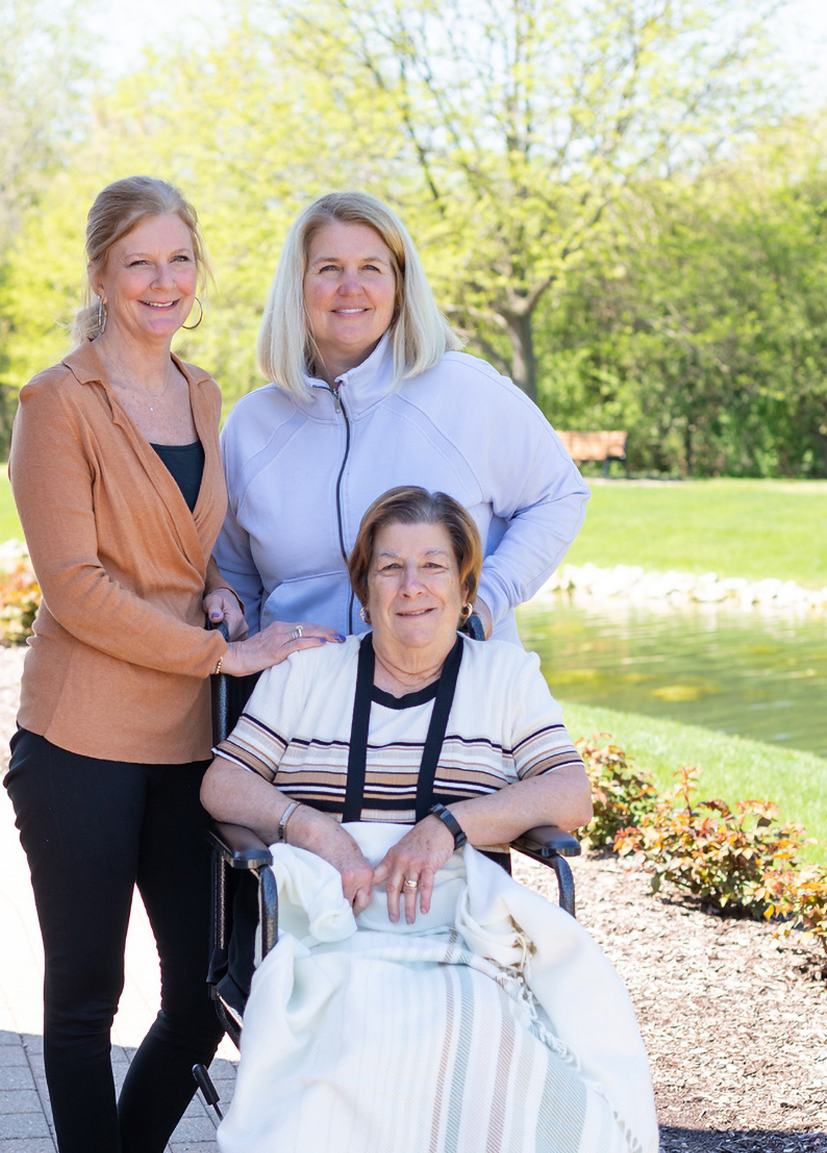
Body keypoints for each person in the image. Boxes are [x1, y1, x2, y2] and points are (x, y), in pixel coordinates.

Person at [4, 175, 342, 1153]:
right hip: (81, 742)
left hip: (188, 743)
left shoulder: (200, 391)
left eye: (179, 259)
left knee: (204, 992)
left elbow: (179, 548)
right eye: (140, 262)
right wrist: (224, 648)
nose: (164, 280)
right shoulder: (56, 402)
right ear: (102, 275)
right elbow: (74, 585)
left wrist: (215, 591)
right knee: (84, 999)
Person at [201, 486, 658, 1153]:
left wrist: (446, 825)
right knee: (345, 1023)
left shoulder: (504, 675)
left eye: (433, 566)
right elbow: (223, 781)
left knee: (476, 1031)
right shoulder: (308, 673)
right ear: (365, 587)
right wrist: (312, 826)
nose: (412, 586)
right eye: (390, 567)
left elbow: (570, 792)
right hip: (326, 929)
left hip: (460, 935)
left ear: (466, 585)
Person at [213, 191, 590, 643]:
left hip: (452, 693)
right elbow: (236, 578)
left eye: (371, 268)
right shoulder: (252, 425)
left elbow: (558, 495)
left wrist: (485, 601)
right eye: (328, 268)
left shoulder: (465, 388)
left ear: (399, 285)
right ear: (296, 286)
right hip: (304, 701)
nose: (350, 287)